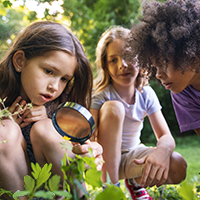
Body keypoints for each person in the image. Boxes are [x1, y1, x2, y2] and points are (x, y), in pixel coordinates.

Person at [0, 20, 103, 199]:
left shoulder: (64, 106)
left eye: (64, 79)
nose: (55, 86)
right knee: (5, 132)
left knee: (46, 128)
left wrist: (89, 154)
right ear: (19, 61)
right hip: (12, 190)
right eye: (48, 71)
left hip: (54, 191)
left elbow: (81, 149)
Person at [90, 26, 187, 200]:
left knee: (178, 165)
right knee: (115, 107)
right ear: (105, 65)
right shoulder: (100, 94)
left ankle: (135, 182)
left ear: (140, 58)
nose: (122, 65)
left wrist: (161, 152)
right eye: (113, 60)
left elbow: (166, 136)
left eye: (128, 56)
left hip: (132, 158)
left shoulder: (146, 93)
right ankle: (111, 188)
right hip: (104, 162)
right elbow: (88, 138)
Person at [124, 0, 200, 137]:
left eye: (164, 62)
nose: (158, 74)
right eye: (155, 66)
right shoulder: (182, 93)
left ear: (191, 54)